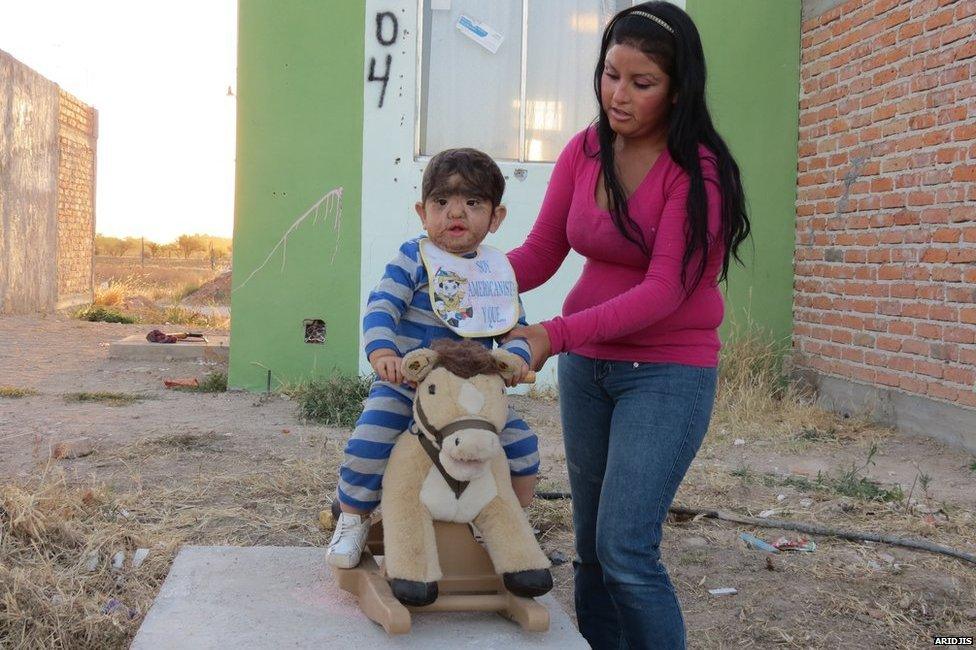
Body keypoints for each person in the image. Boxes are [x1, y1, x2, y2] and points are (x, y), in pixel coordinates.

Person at [505, 3, 751, 648]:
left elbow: (664, 291)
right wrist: (449, 275)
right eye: (612, 74)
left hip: (667, 374)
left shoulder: (698, 173)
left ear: (677, 89)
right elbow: (538, 254)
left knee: (626, 550)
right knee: (588, 548)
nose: (618, 95)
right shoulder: (585, 150)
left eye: (642, 84)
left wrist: (551, 335)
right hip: (590, 370)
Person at [327, 148, 539, 569]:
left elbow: (514, 329)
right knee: (371, 438)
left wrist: (515, 358)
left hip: (472, 398)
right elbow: (380, 307)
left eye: (473, 203)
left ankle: (503, 523)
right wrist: (384, 351)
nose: (455, 213)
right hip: (407, 384)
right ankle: (352, 517)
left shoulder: (496, 271)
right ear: (423, 212)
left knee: (522, 447)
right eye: (442, 203)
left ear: (496, 217)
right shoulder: (415, 258)